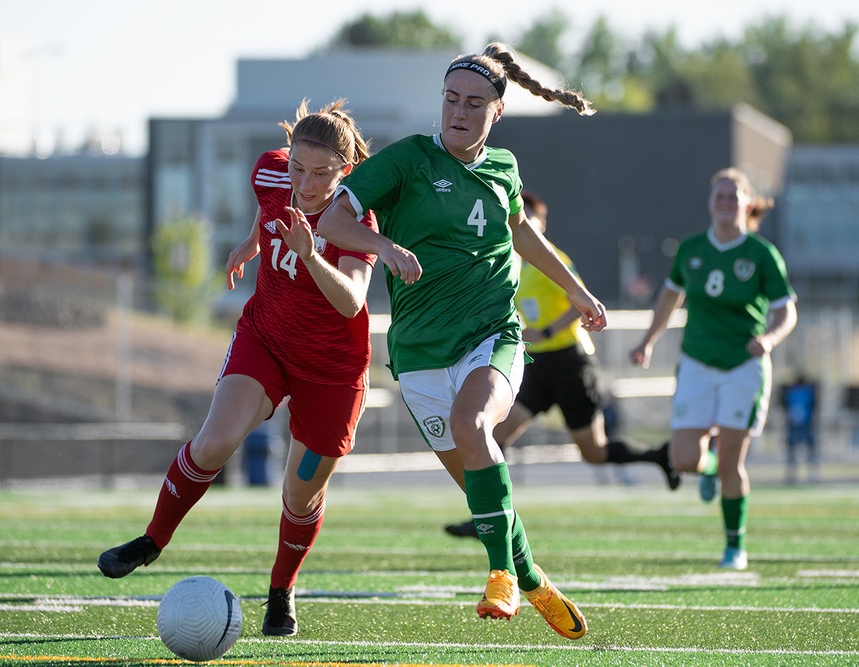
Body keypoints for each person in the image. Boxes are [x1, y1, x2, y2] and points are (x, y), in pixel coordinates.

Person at [317, 43, 604, 640]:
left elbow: (521, 233)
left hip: (491, 334)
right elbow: (332, 223)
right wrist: (384, 247)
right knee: (482, 487)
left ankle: (499, 571)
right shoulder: (406, 161)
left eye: (475, 103)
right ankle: (531, 577)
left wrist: (576, 292)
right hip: (420, 355)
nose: (459, 112)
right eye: (451, 100)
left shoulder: (504, 168)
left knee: (476, 428)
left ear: (497, 111)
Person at [98, 99, 378, 637]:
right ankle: (152, 540)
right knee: (212, 444)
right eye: (299, 167)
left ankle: (281, 590)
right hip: (266, 339)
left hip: (332, 370)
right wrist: (252, 241)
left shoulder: (355, 216)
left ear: (345, 170)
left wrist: (310, 252)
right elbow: (267, 201)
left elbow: (351, 303)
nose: (306, 182)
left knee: (301, 494)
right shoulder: (273, 170)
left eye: (322, 173)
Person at [444, 193, 679, 538]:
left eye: (527, 220)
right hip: (537, 366)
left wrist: (550, 329)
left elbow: (579, 296)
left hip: (571, 362)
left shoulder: (550, 259)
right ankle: (488, 514)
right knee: (495, 434)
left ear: (539, 225)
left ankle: (661, 456)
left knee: (594, 452)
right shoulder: (510, 262)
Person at [629, 167, 798, 571]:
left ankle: (734, 547)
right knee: (684, 458)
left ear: (748, 204)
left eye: (733, 196)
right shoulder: (690, 250)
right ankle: (708, 469)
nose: (725, 202)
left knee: (732, 465)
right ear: (710, 203)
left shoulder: (761, 253)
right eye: (719, 196)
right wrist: (648, 340)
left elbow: (786, 312)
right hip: (696, 363)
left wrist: (769, 340)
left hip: (744, 365)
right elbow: (669, 300)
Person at [781, 374, 818, 484]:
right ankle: (812, 475)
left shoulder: (791, 392)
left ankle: (792, 475)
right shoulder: (808, 391)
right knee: (809, 451)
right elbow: (814, 405)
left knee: (793, 452)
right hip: (806, 423)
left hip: (795, 424)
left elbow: (785, 405)